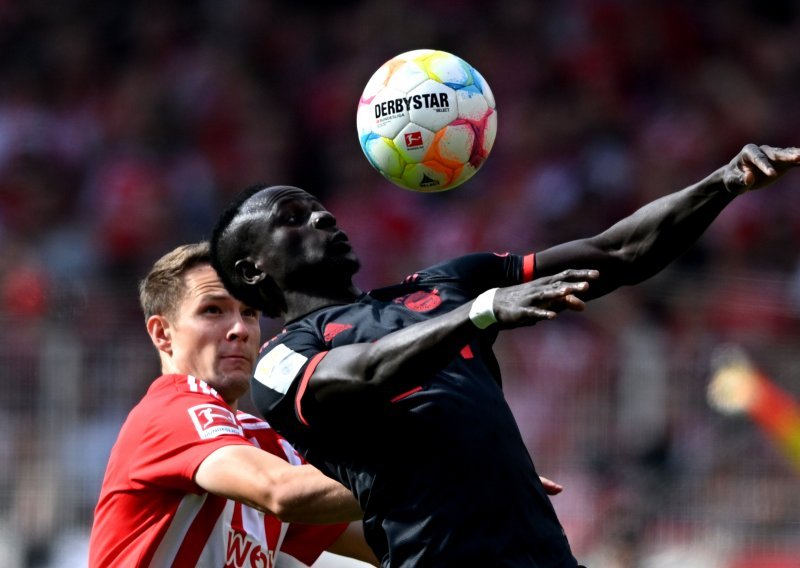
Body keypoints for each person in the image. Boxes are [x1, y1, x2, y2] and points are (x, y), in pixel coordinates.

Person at [209, 143, 800, 567]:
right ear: (251, 269)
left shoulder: (441, 287)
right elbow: (362, 374)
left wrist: (721, 182)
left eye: (317, 206)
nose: (322, 215)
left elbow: (614, 252)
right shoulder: (279, 360)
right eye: (291, 218)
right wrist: (482, 311)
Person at [88, 241, 379, 567]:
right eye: (213, 310)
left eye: (249, 312)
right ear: (162, 334)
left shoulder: (267, 446)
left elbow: (385, 542)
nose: (240, 329)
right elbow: (280, 492)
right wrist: (415, 466)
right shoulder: (170, 411)